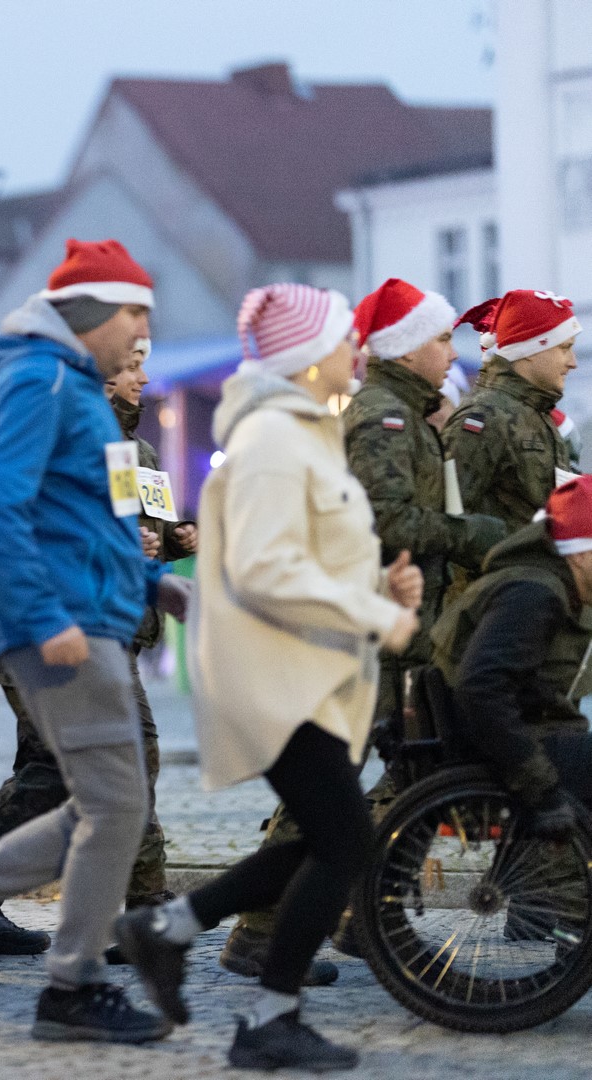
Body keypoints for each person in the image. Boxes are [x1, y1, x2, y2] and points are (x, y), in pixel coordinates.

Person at [116, 283, 421, 1072]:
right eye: (344, 338)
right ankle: (267, 1016)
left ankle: (168, 929)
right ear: (308, 357)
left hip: (300, 670)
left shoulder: (303, 432)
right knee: (345, 840)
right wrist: (373, 610)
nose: (356, 349)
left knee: (328, 835)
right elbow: (265, 569)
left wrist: (382, 589)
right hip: (271, 673)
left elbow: (309, 552)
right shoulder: (275, 443)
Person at [0, 240, 182, 1043]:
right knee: (116, 805)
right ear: (92, 314)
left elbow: (86, 520)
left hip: (93, 616)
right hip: (64, 626)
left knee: (103, 805)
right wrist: (46, 618)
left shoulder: (71, 384)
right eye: (134, 312)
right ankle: (70, 984)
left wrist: (154, 584)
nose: (143, 330)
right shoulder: (40, 379)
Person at [220, 278, 508, 977]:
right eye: (440, 339)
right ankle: (257, 934)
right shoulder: (383, 418)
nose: (452, 351)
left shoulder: (406, 413)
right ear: (406, 349)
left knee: (409, 776)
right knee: (330, 785)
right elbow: (391, 522)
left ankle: (368, 920)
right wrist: (476, 534)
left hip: (397, 629)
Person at [0, 338, 190, 959]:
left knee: (51, 773)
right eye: (131, 367)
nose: (143, 378)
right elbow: (26, 526)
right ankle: (141, 917)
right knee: (124, 763)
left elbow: (134, 530)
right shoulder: (57, 431)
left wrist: (171, 541)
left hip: (107, 627)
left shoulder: (136, 451)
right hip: (55, 630)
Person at [429, 476, 592, 838]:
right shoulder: (534, 594)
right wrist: (541, 786)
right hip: (499, 754)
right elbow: (480, 687)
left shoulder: (542, 582)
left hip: (503, 740)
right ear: (580, 554)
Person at [443, 289, 581, 598]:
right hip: (496, 600)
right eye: (565, 348)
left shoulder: (536, 413)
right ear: (531, 349)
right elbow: (450, 523)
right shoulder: (482, 419)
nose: (572, 362)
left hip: (537, 593)